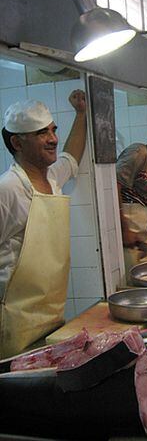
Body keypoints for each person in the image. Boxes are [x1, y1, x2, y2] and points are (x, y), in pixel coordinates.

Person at [0, 90, 87, 358]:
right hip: (14, 323)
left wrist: (81, 114)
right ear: (17, 142)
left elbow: (71, 157)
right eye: (41, 133)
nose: (53, 139)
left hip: (51, 314)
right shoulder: (8, 189)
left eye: (53, 130)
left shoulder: (52, 178)